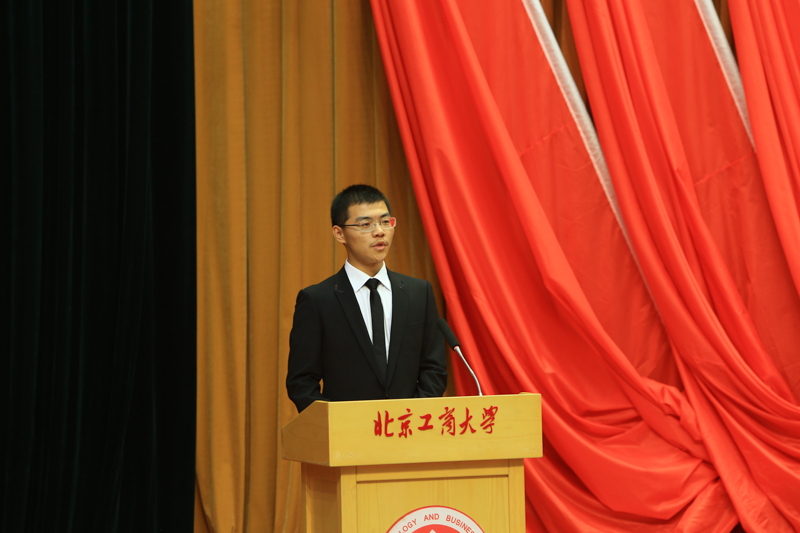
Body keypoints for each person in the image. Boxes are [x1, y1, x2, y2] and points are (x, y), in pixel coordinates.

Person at [286, 184, 448, 413]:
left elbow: (434, 368)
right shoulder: (318, 300)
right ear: (339, 233)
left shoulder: (419, 293)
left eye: (385, 221)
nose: (379, 231)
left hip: (409, 427)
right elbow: (301, 381)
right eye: (366, 224)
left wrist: (414, 416)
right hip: (347, 431)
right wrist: (337, 424)